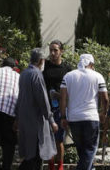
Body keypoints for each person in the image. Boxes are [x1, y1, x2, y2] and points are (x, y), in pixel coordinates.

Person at [60, 54, 109, 170]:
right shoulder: (98, 76)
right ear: (91, 64)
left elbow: (63, 99)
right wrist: (103, 113)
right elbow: (105, 99)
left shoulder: (68, 76)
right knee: (90, 149)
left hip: (74, 118)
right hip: (91, 118)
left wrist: (63, 117)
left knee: (82, 151)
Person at [16, 49, 57, 170]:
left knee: (30, 155)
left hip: (25, 120)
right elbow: (43, 100)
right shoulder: (37, 74)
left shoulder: (24, 73)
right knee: (36, 155)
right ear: (41, 61)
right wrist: (51, 120)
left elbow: (20, 97)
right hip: (36, 121)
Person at [42, 40, 71, 170]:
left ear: (61, 52)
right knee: (48, 139)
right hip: (46, 107)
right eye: (51, 50)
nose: (52, 53)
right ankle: (50, 165)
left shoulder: (67, 69)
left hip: (60, 108)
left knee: (59, 139)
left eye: (55, 50)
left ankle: (60, 165)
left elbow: (71, 90)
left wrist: (60, 96)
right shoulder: (45, 66)